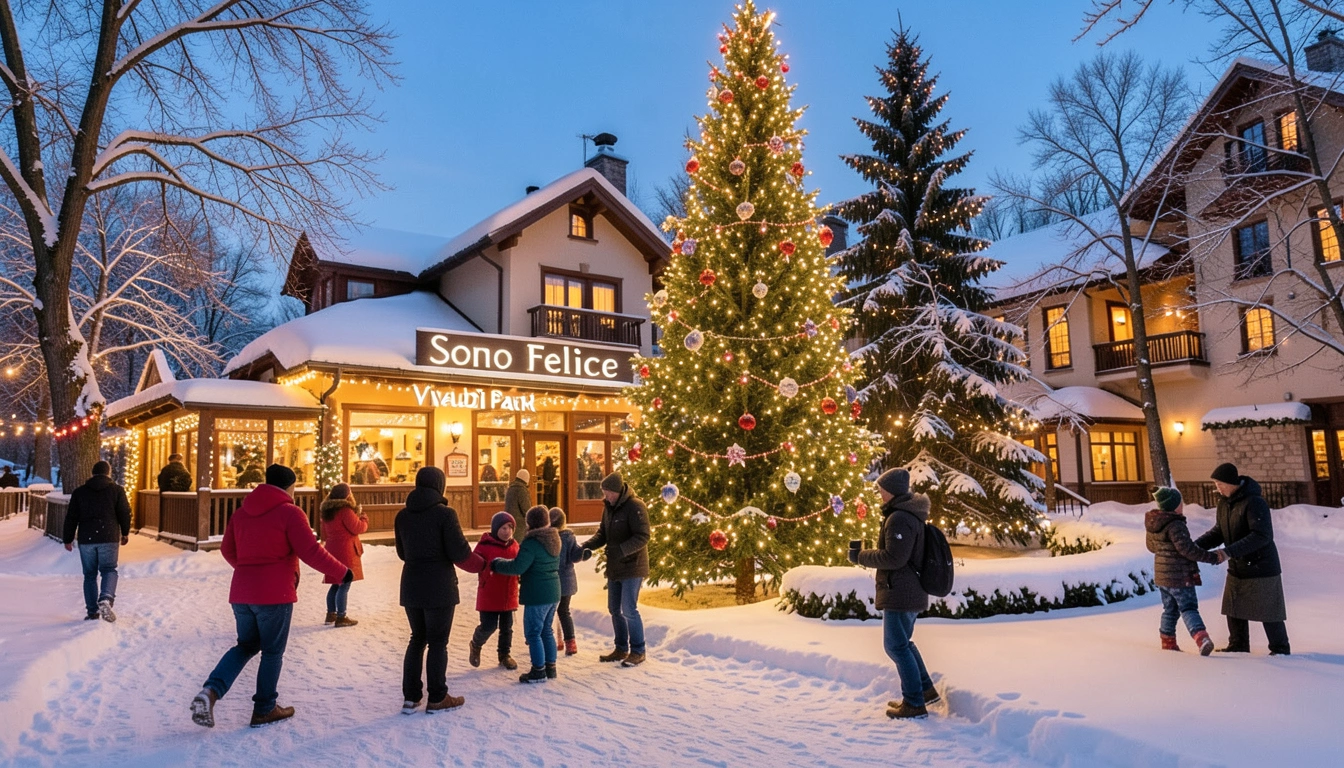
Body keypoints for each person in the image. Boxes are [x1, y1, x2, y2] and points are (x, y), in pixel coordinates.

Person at [190, 464, 352, 729]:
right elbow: (310, 551)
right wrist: (342, 571)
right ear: (289, 486)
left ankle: (210, 691)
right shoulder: (290, 513)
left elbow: (228, 550)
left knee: (245, 646)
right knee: (272, 651)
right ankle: (264, 708)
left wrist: (248, 570)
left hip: (242, 592)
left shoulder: (241, 513)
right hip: (275, 594)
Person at [394, 466, 484, 714]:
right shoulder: (445, 514)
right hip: (439, 587)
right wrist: (483, 565)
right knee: (437, 642)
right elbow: (460, 553)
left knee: (417, 639)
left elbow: (402, 553)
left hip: (411, 585)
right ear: (440, 486)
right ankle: (438, 697)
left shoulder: (402, 515)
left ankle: (411, 698)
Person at [849, 468, 937, 720]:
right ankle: (925, 690)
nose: (879, 494)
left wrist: (861, 556)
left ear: (891, 491)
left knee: (896, 647)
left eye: (881, 490)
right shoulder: (907, 514)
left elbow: (895, 558)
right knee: (903, 644)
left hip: (901, 591)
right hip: (906, 589)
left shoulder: (899, 518)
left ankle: (914, 703)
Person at [1195, 463, 1290, 655]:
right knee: (1233, 607)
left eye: (1220, 483)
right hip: (1238, 566)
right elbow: (1219, 531)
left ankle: (1280, 649)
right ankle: (1238, 645)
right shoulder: (1223, 503)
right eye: (1215, 483)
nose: (1218, 488)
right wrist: (1194, 546)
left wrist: (1228, 552)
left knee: (1269, 610)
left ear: (1232, 483)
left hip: (1261, 565)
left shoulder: (1255, 502)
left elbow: (1261, 535)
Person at [581, 472, 650, 667]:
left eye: (608, 492)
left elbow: (643, 536)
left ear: (618, 491)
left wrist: (621, 550)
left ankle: (638, 650)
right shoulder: (609, 508)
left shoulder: (635, 506)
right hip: (615, 566)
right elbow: (602, 534)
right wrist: (586, 546)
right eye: (604, 492)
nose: (606, 496)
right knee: (614, 609)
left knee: (629, 609)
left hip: (633, 566)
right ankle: (621, 648)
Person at [1146, 487, 1222, 655]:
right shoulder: (1176, 525)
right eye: (1181, 503)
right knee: (1188, 608)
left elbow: (1151, 547)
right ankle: (1201, 638)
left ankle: (1168, 642)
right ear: (1174, 506)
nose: (1183, 505)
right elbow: (1187, 550)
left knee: (1170, 610)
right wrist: (1212, 557)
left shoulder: (1154, 523)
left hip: (1162, 577)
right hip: (1180, 577)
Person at [490, 505, 562, 684]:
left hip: (538, 594)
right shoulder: (554, 539)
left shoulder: (532, 543)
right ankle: (550, 667)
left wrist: (497, 564)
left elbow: (518, 567)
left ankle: (538, 670)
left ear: (530, 523)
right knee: (546, 630)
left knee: (533, 633)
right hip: (554, 592)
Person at [62, 461, 132, 622]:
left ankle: (92, 612)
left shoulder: (80, 492)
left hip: (87, 538)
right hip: (108, 536)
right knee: (109, 569)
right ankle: (106, 598)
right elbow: (124, 512)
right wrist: (125, 532)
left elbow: (71, 516)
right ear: (108, 473)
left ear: (92, 474)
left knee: (89, 575)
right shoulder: (117, 491)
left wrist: (68, 538)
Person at [469, 511, 521, 672]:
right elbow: (474, 563)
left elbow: (521, 565)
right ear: (495, 528)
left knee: (507, 628)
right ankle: (476, 644)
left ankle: (504, 655)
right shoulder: (485, 546)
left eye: (510, 528)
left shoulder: (515, 545)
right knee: (488, 626)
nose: (507, 531)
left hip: (509, 594)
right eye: (503, 528)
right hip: (489, 594)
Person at [320, 484, 368, 628]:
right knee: (344, 583)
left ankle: (331, 614)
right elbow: (358, 527)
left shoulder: (327, 510)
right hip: (345, 551)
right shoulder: (345, 510)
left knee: (336, 582)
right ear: (347, 495)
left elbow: (324, 533)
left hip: (332, 549)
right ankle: (341, 616)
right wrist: (364, 518)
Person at [551, 506, 586, 656]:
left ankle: (553, 641)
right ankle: (570, 642)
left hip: (552, 581)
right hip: (567, 581)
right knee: (564, 611)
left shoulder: (549, 538)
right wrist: (583, 552)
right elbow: (574, 556)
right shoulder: (569, 537)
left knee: (549, 612)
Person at [504, 468, 532, 542]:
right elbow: (526, 508)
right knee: (519, 544)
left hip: (509, 520)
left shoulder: (510, 488)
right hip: (520, 524)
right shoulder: (522, 490)